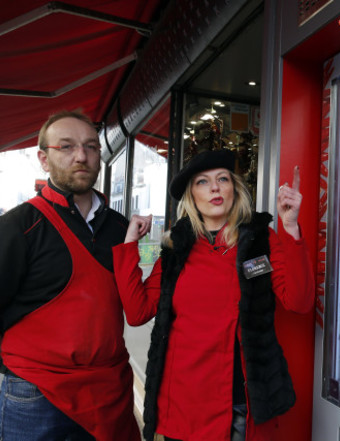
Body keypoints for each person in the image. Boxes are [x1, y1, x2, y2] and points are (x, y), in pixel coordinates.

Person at [0, 110, 140, 441]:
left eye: (90, 146)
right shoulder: (13, 228)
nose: (81, 156)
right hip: (36, 399)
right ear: (44, 159)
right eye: (67, 147)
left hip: (109, 392)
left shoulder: (120, 228)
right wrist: (16, 368)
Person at [113, 148, 314, 441]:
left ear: (235, 188)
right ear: (192, 196)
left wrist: (291, 226)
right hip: (183, 402)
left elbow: (299, 302)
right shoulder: (176, 248)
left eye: (223, 179)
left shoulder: (259, 241)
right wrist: (130, 242)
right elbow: (137, 312)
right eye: (202, 182)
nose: (215, 187)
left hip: (239, 404)